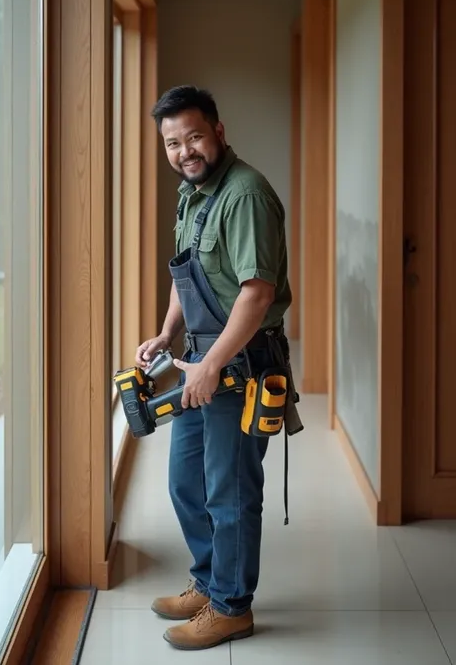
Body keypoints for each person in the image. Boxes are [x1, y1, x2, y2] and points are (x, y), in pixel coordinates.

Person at [135, 85, 300, 651]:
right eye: (173, 142)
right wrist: (166, 333)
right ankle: (208, 582)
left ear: (219, 132)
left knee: (229, 490)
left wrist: (210, 364)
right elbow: (188, 275)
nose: (185, 151)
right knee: (187, 480)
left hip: (240, 363)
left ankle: (232, 606)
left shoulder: (246, 194)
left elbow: (257, 294)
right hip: (200, 360)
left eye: (194, 137)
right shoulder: (192, 194)